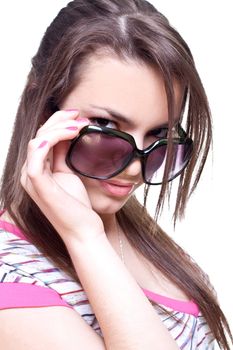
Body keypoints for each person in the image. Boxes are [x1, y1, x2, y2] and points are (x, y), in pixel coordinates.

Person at [0, 0, 232, 349]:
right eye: (106, 126)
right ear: (44, 105)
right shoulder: (14, 277)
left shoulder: (132, 228)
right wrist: (85, 237)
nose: (135, 167)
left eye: (158, 135)